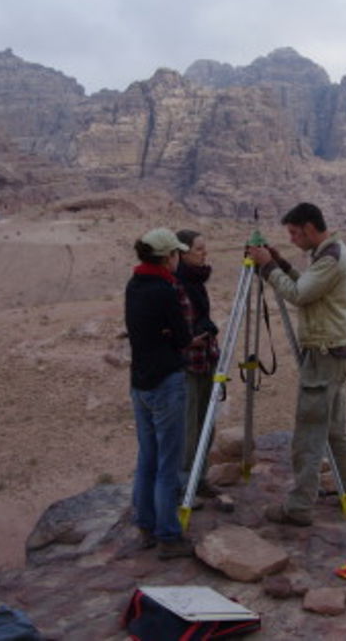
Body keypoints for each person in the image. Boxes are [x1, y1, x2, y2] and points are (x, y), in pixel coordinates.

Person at [248, 202, 346, 526]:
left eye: (294, 233)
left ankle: (299, 506)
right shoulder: (327, 254)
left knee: (308, 434)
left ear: (311, 228)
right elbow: (308, 284)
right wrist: (280, 263)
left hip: (324, 355)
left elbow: (300, 294)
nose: (293, 239)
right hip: (333, 353)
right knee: (334, 431)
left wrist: (267, 268)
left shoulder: (330, 257)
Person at [124, 227, 195, 559]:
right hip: (166, 381)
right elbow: (183, 337)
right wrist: (173, 333)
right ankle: (169, 536)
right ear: (168, 257)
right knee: (169, 461)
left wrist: (166, 332)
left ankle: (145, 527)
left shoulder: (134, 286)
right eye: (177, 254)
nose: (178, 259)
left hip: (139, 382)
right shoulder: (165, 290)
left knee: (147, 457)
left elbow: (145, 333)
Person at [175, 229, 221, 498]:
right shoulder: (177, 284)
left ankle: (199, 477)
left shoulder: (195, 281)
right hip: (188, 365)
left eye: (205, 248)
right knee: (189, 427)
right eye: (199, 249)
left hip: (206, 359)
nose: (205, 254)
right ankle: (184, 485)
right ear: (182, 253)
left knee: (206, 422)